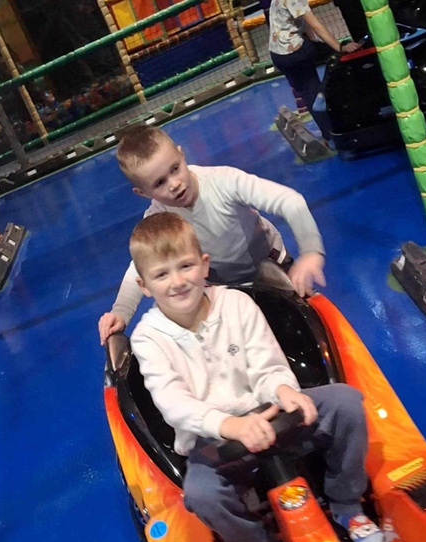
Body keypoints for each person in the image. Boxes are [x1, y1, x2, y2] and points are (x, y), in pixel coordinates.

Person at [128, 212, 384, 542]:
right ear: (144, 285)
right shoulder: (148, 339)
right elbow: (173, 403)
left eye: (185, 266)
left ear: (204, 265)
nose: (178, 281)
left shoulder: (236, 305)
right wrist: (230, 426)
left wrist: (284, 391)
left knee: (345, 403)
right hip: (214, 441)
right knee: (201, 494)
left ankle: (347, 504)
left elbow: (267, 364)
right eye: (162, 274)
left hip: (272, 415)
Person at [98, 125, 326, 345]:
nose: (174, 184)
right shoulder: (158, 218)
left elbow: (290, 202)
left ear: (181, 155)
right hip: (221, 287)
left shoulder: (222, 181)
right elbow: (142, 265)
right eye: (159, 183)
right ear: (142, 193)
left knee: (306, 325)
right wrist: (121, 311)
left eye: (175, 168)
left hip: (271, 266)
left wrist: (310, 252)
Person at [268, 0, 362, 143]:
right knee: (336, 59)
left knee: (307, 91)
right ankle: (333, 129)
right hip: (295, 54)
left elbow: (305, 26)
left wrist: (317, 43)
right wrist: (340, 48)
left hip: (278, 56)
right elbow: (316, 26)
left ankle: (328, 133)